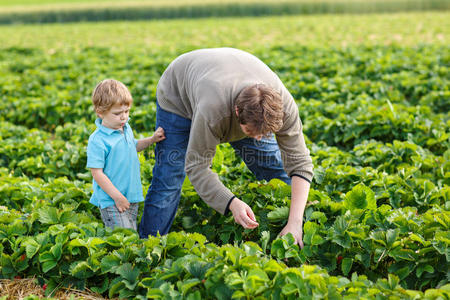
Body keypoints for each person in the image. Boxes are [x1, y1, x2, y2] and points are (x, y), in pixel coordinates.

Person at [139, 48, 313, 247]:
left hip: (227, 78)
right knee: (169, 177)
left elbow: (299, 164)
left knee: (273, 165)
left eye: (264, 134)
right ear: (237, 112)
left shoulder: (283, 107)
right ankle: (147, 248)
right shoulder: (213, 111)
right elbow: (197, 167)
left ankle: (293, 230)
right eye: (252, 133)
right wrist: (232, 203)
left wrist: (295, 222)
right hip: (177, 96)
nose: (258, 139)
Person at [86, 79, 165, 230]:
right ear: (100, 113)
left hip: (131, 195)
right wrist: (117, 197)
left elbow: (133, 146)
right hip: (112, 200)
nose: (123, 117)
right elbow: (97, 173)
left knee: (130, 235)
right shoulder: (98, 140)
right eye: (117, 113)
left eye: (127, 111)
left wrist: (152, 139)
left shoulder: (125, 128)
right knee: (125, 240)